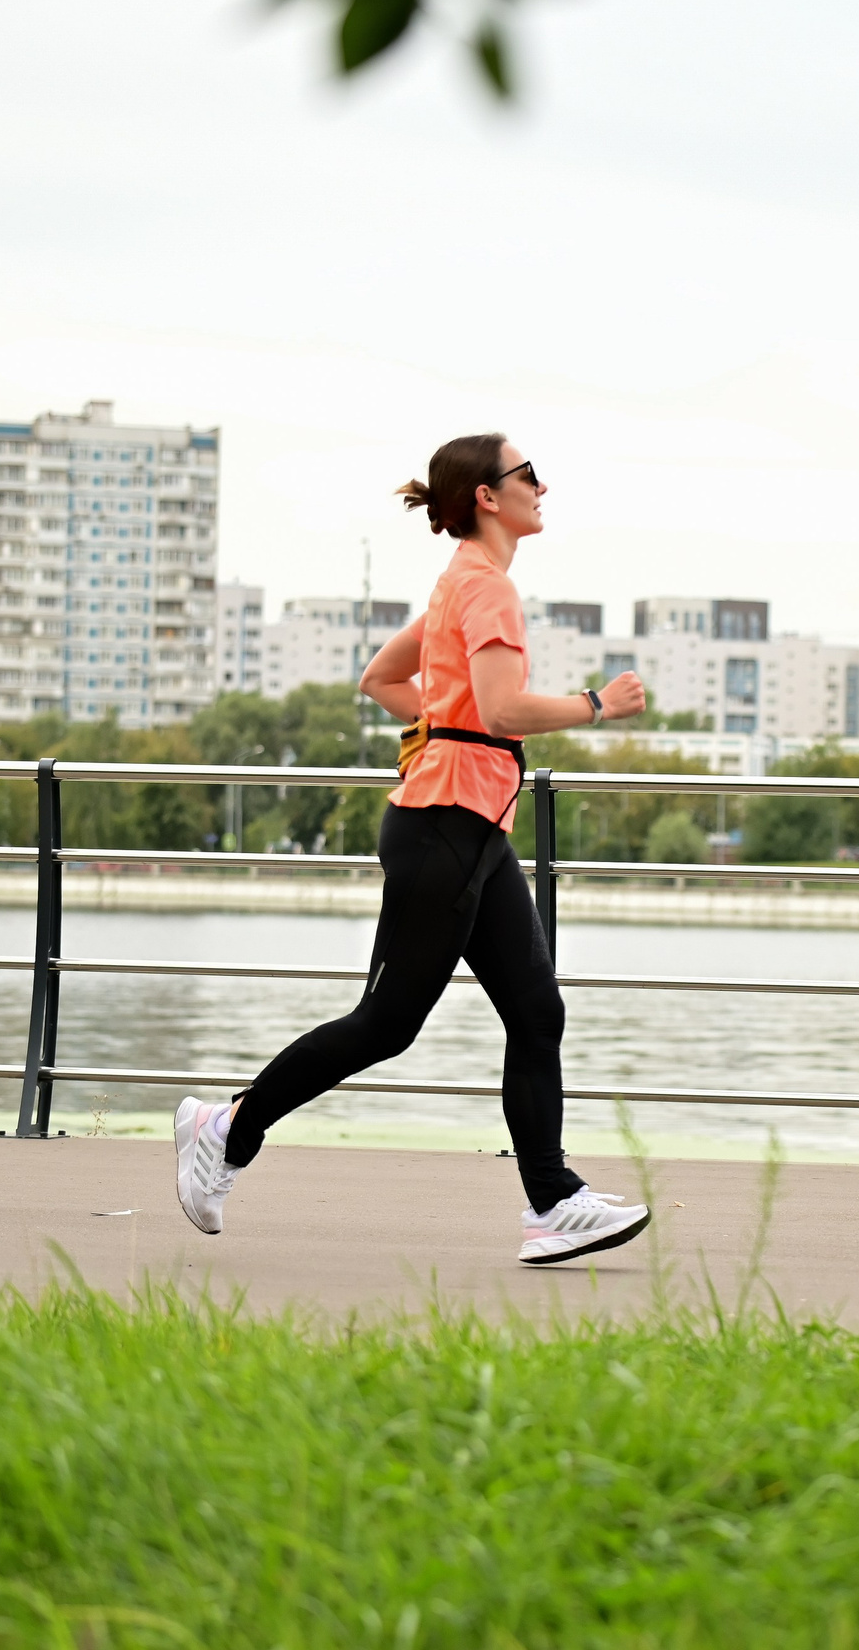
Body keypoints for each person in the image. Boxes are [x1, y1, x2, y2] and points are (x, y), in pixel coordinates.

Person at [173, 434, 654, 1265]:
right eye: (527, 473)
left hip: (471, 826)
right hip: (443, 827)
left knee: (538, 1012)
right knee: (385, 1025)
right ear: (486, 498)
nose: (543, 485)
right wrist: (597, 704)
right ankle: (227, 1129)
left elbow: (383, 681)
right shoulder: (486, 589)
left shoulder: (461, 585)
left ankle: (554, 1201)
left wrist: (441, 729)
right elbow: (502, 710)